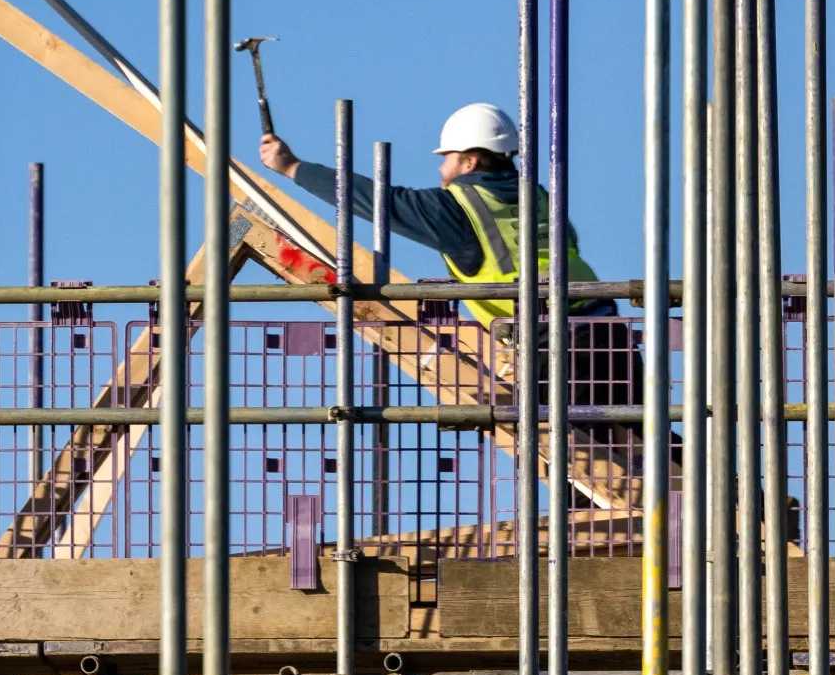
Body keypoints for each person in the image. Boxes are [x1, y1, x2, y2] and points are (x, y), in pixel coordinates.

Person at [259, 102, 641, 438]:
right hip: (611, 333)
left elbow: (376, 201)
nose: (441, 168)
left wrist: (292, 167)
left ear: (470, 162)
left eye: (447, 158)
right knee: (652, 453)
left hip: (556, 349)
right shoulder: (540, 197)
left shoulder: (457, 207)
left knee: (584, 470)